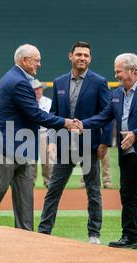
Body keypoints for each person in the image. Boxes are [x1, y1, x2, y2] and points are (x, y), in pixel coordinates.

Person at [0, 44, 80, 231]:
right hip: (7, 146)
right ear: (24, 60)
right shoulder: (18, 81)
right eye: (37, 60)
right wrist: (65, 123)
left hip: (22, 147)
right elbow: (35, 114)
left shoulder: (15, 78)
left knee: (25, 195)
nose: (39, 64)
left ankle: (26, 237)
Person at [82, 53, 137, 249]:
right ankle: (129, 234)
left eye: (118, 71)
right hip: (128, 152)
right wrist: (80, 124)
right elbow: (103, 117)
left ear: (133, 70)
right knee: (127, 194)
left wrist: (136, 134)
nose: (116, 75)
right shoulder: (116, 93)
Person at [38, 41, 112, 244]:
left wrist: (104, 142)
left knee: (93, 191)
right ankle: (44, 231)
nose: (83, 58)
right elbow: (54, 114)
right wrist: (52, 140)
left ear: (90, 59)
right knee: (53, 189)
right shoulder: (59, 82)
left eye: (86, 55)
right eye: (79, 54)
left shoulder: (99, 82)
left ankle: (94, 234)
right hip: (64, 144)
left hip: (89, 145)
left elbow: (107, 113)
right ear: (70, 56)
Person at [30, 79, 53, 188]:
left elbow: (52, 118)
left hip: (44, 133)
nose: (37, 91)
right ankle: (31, 182)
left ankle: (48, 181)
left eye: (39, 88)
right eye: (35, 89)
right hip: (30, 133)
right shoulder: (28, 103)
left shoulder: (48, 102)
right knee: (31, 161)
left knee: (46, 160)